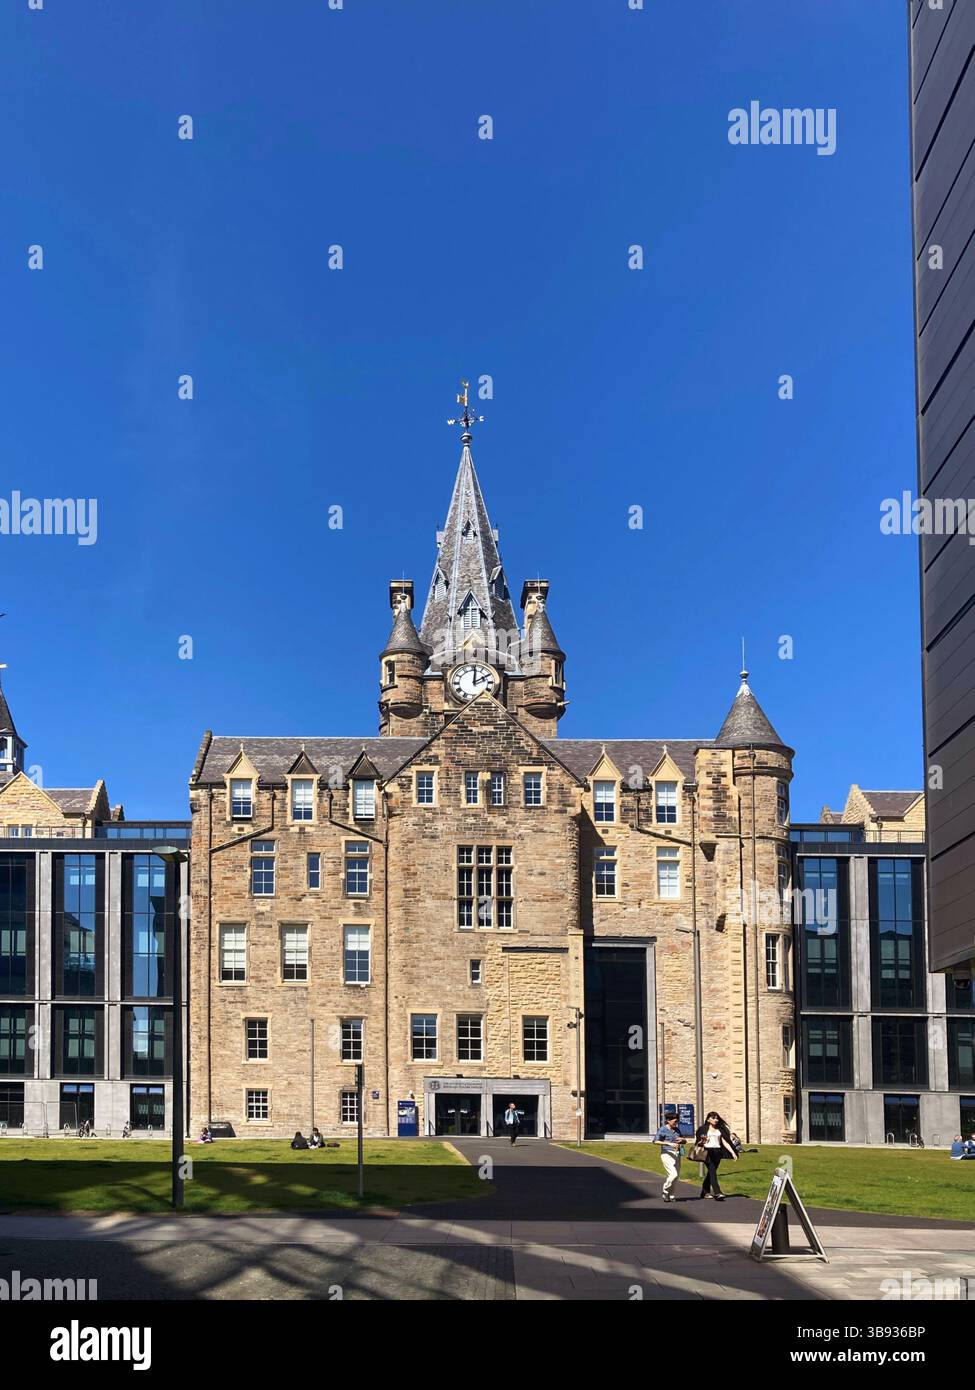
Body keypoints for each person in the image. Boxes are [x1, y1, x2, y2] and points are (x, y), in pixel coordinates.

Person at [696, 1110, 738, 1200]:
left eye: (717, 1118)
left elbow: (724, 1142)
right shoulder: (703, 1129)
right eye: (713, 1118)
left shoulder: (720, 1130)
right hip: (707, 1152)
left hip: (717, 1152)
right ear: (708, 1120)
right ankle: (717, 1192)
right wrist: (702, 1142)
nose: (716, 1120)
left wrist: (732, 1152)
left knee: (711, 1173)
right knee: (712, 1172)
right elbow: (699, 1142)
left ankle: (704, 1191)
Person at [652, 1111, 685, 1202]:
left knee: (676, 1176)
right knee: (673, 1174)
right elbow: (655, 1141)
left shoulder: (677, 1130)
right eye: (675, 1121)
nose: (676, 1123)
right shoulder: (663, 1129)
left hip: (677, 1154)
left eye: (677, 1121)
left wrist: (682, 1140)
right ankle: (665, 1191)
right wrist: (668, 1143)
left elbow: (683, 1140)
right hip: (667, 1153)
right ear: (668, 1120)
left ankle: (671, 1195)